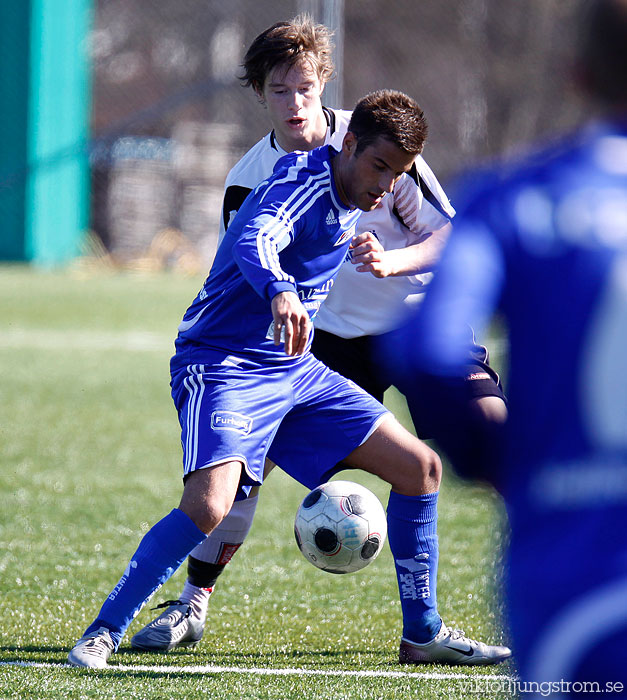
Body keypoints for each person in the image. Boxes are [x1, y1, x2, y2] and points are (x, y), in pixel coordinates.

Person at [67, 88, 509, 670]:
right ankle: (103, 631)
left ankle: (422, 633)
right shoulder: (298, 181)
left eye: (396, 174)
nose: (385, 185)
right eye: (378, 166)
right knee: (209, 506)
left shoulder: (362, 195)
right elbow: (256, 236)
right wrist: (279, 289)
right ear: (346, 143)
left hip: (295, 370)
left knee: (419, 469)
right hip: (222, 361)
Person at [389, 0, 627, 688]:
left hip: (570, 568)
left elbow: (426, 354)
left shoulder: (510, 198)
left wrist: (497, 461)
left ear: (575, 75)